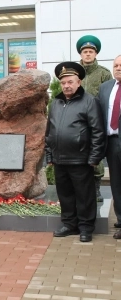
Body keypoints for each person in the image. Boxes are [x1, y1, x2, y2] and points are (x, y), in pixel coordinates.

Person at [45, 62, 105, 243]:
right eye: (63, 83)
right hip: (59, 159)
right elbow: (49, 131)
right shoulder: (55, 103)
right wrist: (49, 155)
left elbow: (98, 131)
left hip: (81, 159)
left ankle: (86, 227)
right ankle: (69, 224)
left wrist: (95, 157)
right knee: (65, 195)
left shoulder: (89, 101)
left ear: (79, 82)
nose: (66, 86)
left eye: (70, 82)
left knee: (85, 196)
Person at [77, 35, 113, 202]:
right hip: (76, 121)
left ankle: (96, 188)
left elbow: (108, 97)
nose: (88, 54)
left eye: (91, 51)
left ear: (96, 54)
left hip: (96, 120)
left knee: (95, 154)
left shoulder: (104, 74)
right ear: (81, 54)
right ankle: (80, 188)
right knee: (77, 154)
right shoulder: (74, 71)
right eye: (85, 51)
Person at [97, 55, 121, 239]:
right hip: (111, 143)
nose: (118, 68)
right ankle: (120, 218)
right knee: (116, 183)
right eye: (116, 65)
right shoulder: (106, 88)